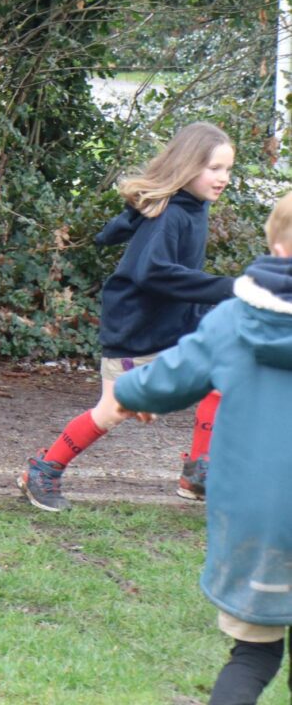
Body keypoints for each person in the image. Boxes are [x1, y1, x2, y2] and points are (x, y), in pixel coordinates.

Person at [114, 191, 292, 705]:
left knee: (254, 655)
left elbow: (170, 377)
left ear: (278, 250)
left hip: (256, 523)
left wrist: (128, 392)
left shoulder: (234, 319)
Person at [18, 121, 235, 511]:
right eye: (214, 168)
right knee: (112, 411)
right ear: (188, 166)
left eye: (228, 169)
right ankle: (44, 470)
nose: (224, 178)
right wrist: (230, 288)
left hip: (174, 328)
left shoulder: (194, 205)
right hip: (137, 333)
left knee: (225, 373)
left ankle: (198, 472)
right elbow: (153, 273)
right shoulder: (170, 216)